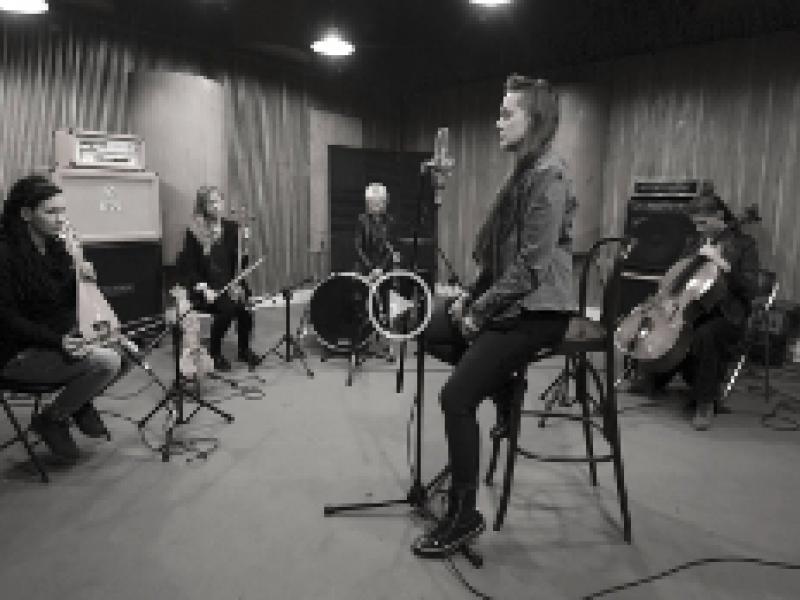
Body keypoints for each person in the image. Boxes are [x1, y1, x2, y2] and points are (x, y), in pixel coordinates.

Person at [412, 75, 577, 558]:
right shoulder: (520, 172)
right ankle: (505, 387)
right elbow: (498, 260)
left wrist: (478, 312)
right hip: (510, 302)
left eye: (507, 114)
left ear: (535, 120)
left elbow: (530, 269)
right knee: (429, 328)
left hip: (540, 311)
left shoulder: (550, 175)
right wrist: (468, 298)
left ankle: (464, 515)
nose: (497, 122)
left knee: (455, 398)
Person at [0, 174, 122, 461]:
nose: (61, 219)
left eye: (63, 211)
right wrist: (59, 342)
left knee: (124, 348)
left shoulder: (56, 247)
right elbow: (7, 318)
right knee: (107, 362)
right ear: (26, 214)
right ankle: (52, 419)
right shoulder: (5, 253)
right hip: (16, 353)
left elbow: (62, 303)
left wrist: (81, 279)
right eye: (51, 212)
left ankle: (76, 404)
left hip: (51, 342)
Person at [643, 199, 761, 430]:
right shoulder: (695, 243)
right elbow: (679, 277)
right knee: (671, 326)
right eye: (695, 223)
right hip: (694, 307)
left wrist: (722, 264)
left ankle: (705, 403)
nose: (698, 228)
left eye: (703, 223)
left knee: (706, 334)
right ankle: (659, 374)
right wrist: (666, 299)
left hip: (729, 314)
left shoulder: (745, 245)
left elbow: (749, 289)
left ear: (720, 216)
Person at [177, 186, 259, 371]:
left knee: (245, 306)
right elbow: (189, 266)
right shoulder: (194, 231)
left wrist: (245, 247)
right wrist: (204, 288)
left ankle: (244, 349)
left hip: (229, 282)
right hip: (205, 286)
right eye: (211, 202)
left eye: (219, 201)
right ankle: (214, 352)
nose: (216, 205)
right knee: (227, 309)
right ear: (203, 206)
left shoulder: (232, 228)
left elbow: (240, 264)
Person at [354, 182, 396, 277]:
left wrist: (381, 268)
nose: (376, 204)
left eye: (380, 201)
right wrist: (371, 267)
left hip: (386, 270)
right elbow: (358, 247)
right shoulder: (362, 220)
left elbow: (392, 246)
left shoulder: (390, 221)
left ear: (385, 202)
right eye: (373, 201)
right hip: (364, 269)